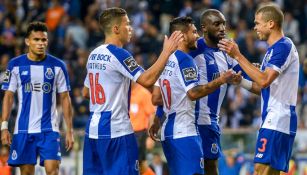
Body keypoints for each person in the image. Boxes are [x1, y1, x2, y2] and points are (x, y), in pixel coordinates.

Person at [82, 7, 182, 175]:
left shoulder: (93, 54)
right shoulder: (120, 54)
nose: (131, 28)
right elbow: (147, 80)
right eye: (127, 24)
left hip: (92, 131)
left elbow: (86, 93)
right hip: (117, 131)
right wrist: (166, 52)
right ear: (116, 29)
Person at [218, 4, 299, 175]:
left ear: (270, 24)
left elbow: (263, 81)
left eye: (257, 23)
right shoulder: (272, 51)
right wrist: (241, 82)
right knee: (270, 172)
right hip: (275, 117)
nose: (254, 27)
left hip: (278, 117)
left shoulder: (283, 46)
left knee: (260, 170)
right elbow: (263, 88)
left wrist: (238, 56)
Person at [149, 16, 236, 175]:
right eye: (194, 32)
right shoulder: (186, 60)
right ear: (182, 36)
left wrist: (158, 115)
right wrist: (221, 80)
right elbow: (193, 93)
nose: (197, 36)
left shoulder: (164, 60)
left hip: (168, 132)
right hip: (185, 132)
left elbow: (155, 98)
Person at [0, 21, 74, 175]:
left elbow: (65, 98)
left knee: (52, 171)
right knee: (26, 173)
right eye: (36, 40)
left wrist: (69, 130)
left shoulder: (58, 66)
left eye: (44, 40)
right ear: (27, 41)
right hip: (23, 129)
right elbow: (8, 96)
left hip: (49, 129)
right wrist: (4, 127)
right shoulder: (15, 65)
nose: (40, 43)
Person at [188, 9, 245, 175]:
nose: (222, 28)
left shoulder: (226, 50)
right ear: (204, 27)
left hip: (211, 121)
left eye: (224, 24)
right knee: (193, 168)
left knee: (211, 167)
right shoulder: (193, 48)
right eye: (217, 24)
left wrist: (243, 59)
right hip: (191, 120)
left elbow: (244, 72)